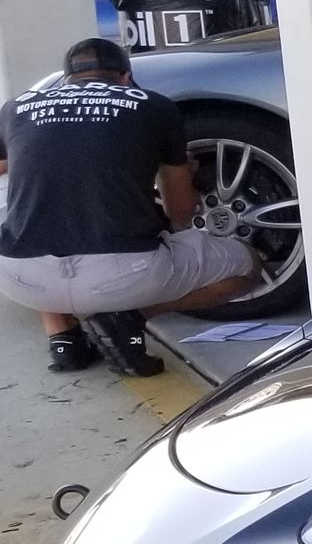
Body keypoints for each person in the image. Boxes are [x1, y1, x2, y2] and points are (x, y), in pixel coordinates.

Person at [0, 39, 258, 378]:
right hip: (122, 277)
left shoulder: (16, 107)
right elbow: (180, 213)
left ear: (66, 80)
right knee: (248, 267)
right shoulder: (154, 106)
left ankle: (63, 340)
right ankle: (127, 318)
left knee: (27, 207)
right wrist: (181, 176)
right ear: (125, 77)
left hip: (19, 279)